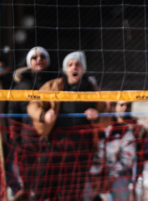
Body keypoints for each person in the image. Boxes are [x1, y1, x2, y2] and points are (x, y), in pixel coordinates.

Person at [27, 51, 111, 201]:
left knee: (72, 194)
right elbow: (33, 105)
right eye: (70, 64)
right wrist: (43, 115)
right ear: (65, 69)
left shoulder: (93, 89)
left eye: (77, 64)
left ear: (83, 69)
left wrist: (97, 117)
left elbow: (107, 119)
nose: (74, 67)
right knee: (42, 190)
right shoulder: (53, 85)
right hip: (55, 146)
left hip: (81, 151)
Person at [6, 46, 54, 200]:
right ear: (29, 62)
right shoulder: (21, 87)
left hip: (52, 141)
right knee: (29, 183)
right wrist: (15, 140)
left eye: (42, 56)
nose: (38, 59)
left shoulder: (56, 83)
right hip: (27, 143)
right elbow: (13, 116)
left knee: (49, 183)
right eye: (34, 57)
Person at [86, 100, 147, 201]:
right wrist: (96, 174)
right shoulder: (92, 128)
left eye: (128, 105)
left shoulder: (124, 130)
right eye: (121, 105)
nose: (124, 108)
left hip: (117, 175)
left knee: (121, 190)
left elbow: (127, 158)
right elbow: (89, 155)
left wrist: (111, 176)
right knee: (85, 191)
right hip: (94, 175)